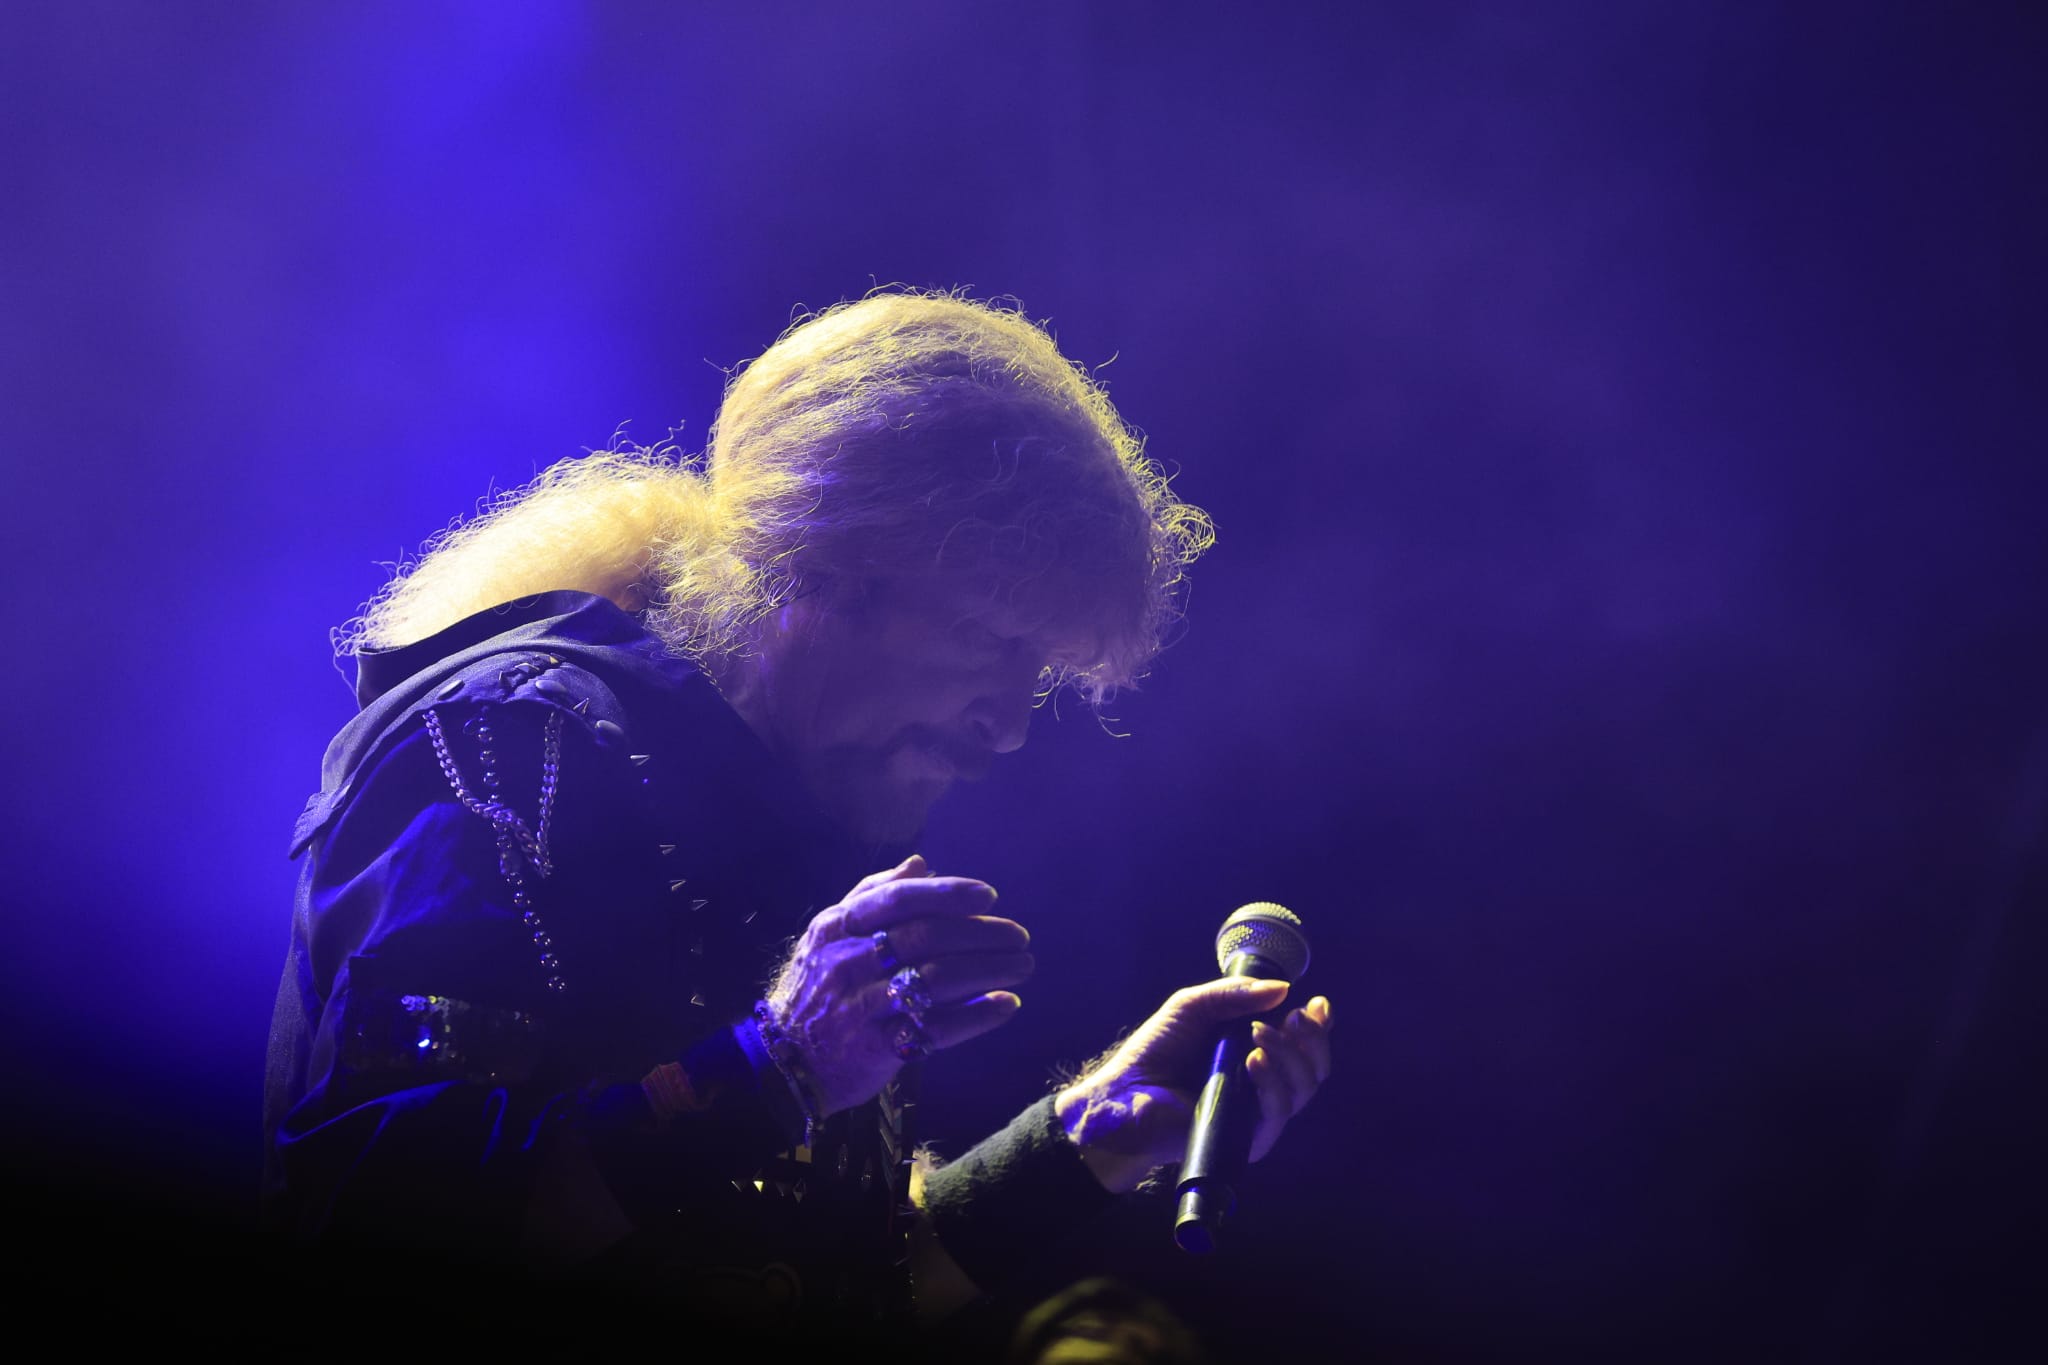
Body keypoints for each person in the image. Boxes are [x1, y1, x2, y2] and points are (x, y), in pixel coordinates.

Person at [263, 290, 1334, 1347]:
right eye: (991, 641)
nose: (1010, 724)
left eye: (1041, 672)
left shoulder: (801, 825)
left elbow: (820, 1285)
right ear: (821, 569)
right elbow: (377, 1213)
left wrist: (1081, 1143)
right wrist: (772, 1068)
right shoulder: (506, 746)